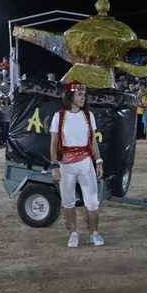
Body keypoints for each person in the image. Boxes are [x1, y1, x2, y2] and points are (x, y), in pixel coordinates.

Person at [49, 81, 105, 248]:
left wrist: (99, 161)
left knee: (92, 201)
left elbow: (93, 141)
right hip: (65, 164)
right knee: (68, 201)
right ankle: (73, 234)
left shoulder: (88, 116)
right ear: (70, 96)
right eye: (79, 94)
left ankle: (94, 233)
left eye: (84, 95)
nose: (83, 97)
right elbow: (53, 143)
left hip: (86, 163)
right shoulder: (58, 116)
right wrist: (54, 165)